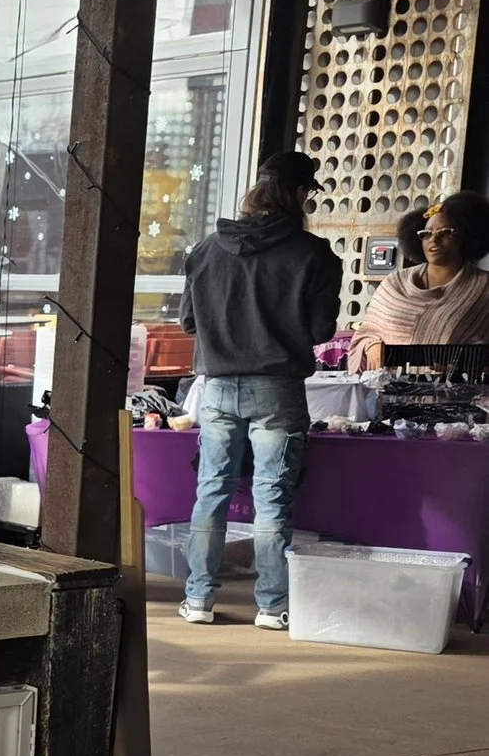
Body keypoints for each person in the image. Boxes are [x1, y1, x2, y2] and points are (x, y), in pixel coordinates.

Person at [177, 150, 342, 627]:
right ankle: (272, 606)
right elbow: (320, 331)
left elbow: (189, 322)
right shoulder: (315, 255)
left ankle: (199, 600)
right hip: (276, 390)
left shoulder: (206, 250)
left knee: (211, 492)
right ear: (299, 194)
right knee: (271, 498)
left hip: (217, 387)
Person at [349, 191, 489, 369]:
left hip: (455, 394)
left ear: (465, 236)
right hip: (387, 392)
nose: (434, 240)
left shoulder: (483, 289)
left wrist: (464, 361)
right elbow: (365, 334)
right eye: (426, 234)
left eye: (445, 232)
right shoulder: (395, 283)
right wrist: (371, 345)